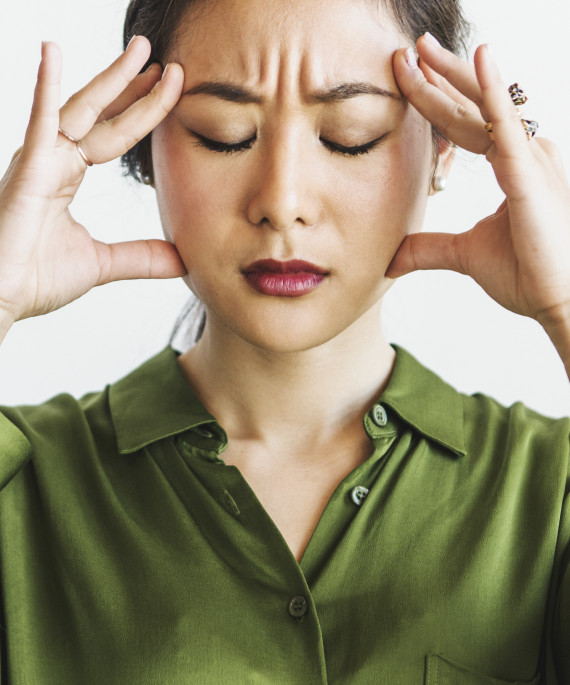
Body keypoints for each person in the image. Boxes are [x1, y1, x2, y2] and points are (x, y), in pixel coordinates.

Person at [0, 0, 569, 682]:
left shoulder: (549, 492)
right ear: (144, 141)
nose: (283, 198)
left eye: (351, 134)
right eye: (224, 133)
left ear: (444, 142)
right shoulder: (23, 488)